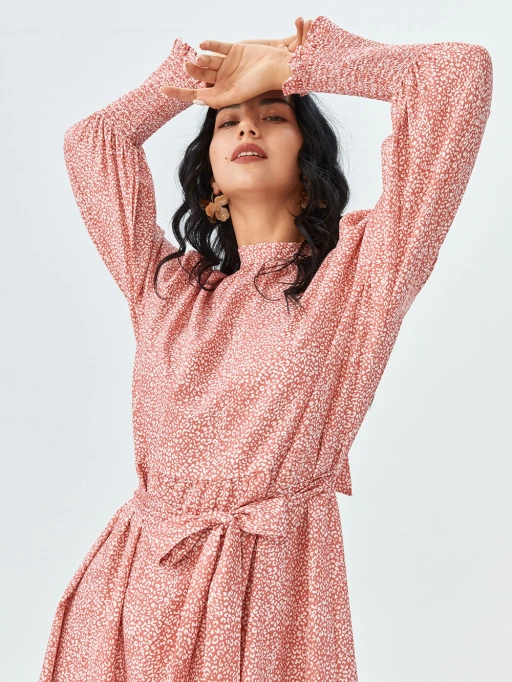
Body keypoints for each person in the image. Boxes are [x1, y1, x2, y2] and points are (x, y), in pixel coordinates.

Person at [38, 15, 493, 682]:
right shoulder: (168, 287)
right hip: (133, 594)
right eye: (228, 122)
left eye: (274, 115)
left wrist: (295, 62)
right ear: (210, 179)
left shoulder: (358, 278)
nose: (247, 126)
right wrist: (188, 80)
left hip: (270, 601)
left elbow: (460, 75)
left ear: (309, 162)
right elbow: (94, 141)